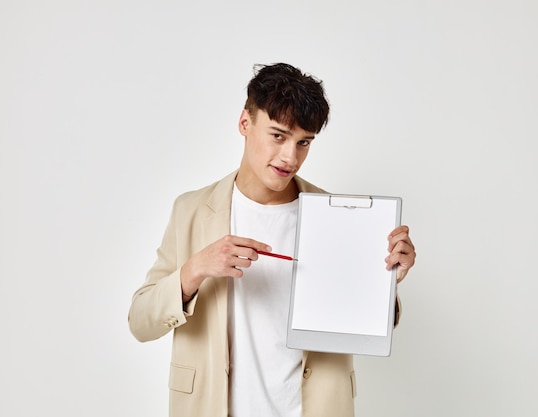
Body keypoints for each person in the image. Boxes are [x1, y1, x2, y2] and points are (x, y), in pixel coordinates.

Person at [128, 62, 416, 417]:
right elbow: (140, 322)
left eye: (303, 142)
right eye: (278, 136)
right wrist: (194, 271)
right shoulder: (191, 211)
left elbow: (366, 328)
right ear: (245, 123)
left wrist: (386, 282)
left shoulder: (339, 217)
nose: (289, 157)